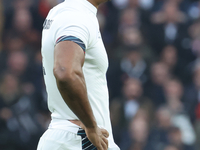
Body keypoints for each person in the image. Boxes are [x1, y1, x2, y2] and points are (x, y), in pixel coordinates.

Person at [37, 0, 120, 150]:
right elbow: (65, 71)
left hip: (73, 137)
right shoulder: (76, 15)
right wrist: (90, 125)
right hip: (79, 139)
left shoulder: (66, 12)